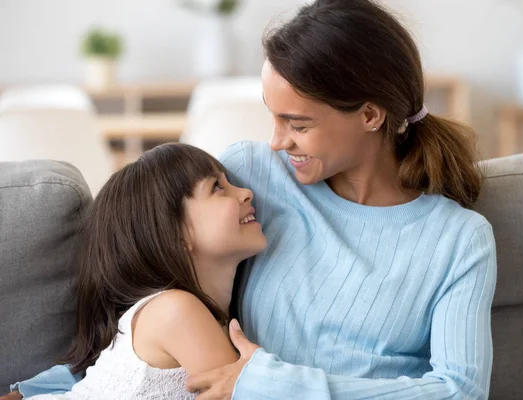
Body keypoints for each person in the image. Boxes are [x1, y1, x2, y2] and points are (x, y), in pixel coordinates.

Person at [4, 0, 497, 399]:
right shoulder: (254, 175)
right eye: (273, 116)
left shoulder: (458, 240)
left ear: (370, 115)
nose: (278, 142)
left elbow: (460, 390)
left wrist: (272, 383)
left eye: (298, 124)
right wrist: (40, 391)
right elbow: (156, 284)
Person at [8, 143, 266, 399]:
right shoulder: (176, 309)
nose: (246, 192)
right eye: (217, 187)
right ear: (174, 235)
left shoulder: (197, 314)